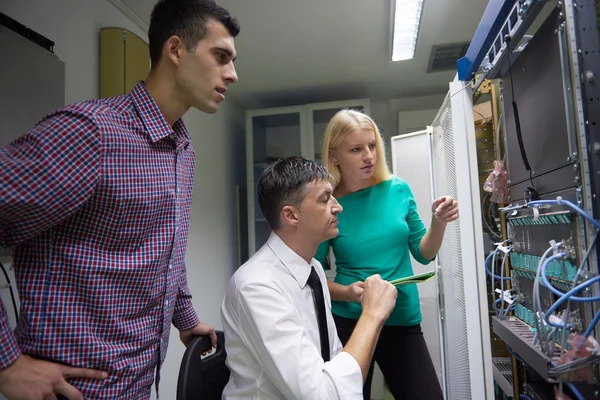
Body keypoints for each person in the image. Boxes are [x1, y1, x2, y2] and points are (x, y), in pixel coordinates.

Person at [0, 1, 239, 399]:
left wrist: (184, 316)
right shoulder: (90, 133)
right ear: (176, 50)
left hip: (140, 384)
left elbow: (165, 245)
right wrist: (6, 364)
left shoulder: (184, 149)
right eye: (221, 57)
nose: (232, 74)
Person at [221, 156, 398, 399]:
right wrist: (372, 314)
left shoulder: (312, 269)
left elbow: (334, 359)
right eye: (325, 199)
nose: (338, 207)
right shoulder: (257, 286)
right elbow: (322, 395)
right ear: (291, 215)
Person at [315, 109, 459, 400]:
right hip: (351, 322)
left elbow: (423, 252)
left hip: (401, 317)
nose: (369, 155)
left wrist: (439, 222)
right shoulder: (326, 204)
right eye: (356, 149)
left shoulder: (398, 189)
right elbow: (312, 276)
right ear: (334, 156)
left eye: (371, 145)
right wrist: (347, 292)